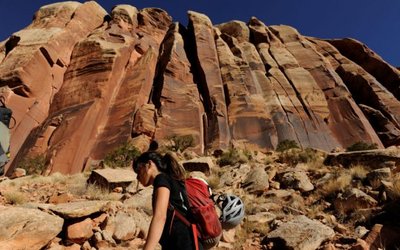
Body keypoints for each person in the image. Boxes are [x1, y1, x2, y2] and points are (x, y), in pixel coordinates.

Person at [133, 151, 203, 250]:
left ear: (149, 164)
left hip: (182, 244)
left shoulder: (161, 179)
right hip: (189, 243)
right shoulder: (173, 180)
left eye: (138, 170)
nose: (137, 177)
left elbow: (160, 217)